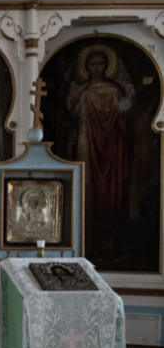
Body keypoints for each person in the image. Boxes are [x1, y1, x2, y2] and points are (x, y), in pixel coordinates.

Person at [65, 47, 133, 255]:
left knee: (110, 192)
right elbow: (71, 112)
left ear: (107, 66)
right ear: (86, 67)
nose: (96, 68)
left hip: (112, 151)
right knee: (87, 189)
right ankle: (85, 241)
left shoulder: (115, 90)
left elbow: (125, 114)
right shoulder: (82, 90)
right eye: (92, 64)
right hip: (88, 147)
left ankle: (109, 242)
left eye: (100, 63)